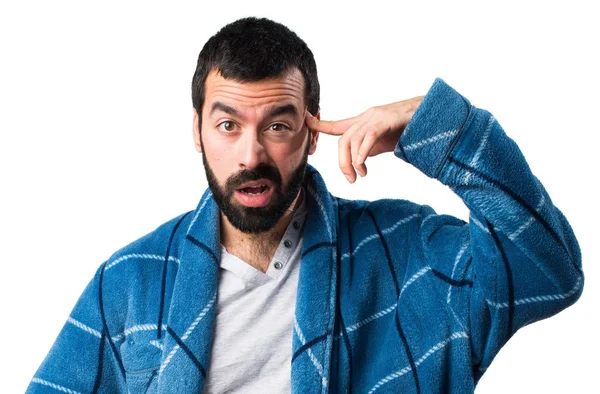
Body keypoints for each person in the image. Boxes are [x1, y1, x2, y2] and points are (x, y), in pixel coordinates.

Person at [26, 16, 584, 394]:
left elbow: (548, 272)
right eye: (227, 125)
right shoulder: (129, 282)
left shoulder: (406, 251)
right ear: (196, 131)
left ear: (311, 133)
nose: (251, 154)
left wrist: (439, 127)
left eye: (277, 125)